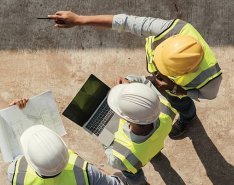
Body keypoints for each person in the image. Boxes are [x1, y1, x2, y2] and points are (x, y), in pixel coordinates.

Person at [47, 11, 222, 138]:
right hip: (172, 83)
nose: (155, 72)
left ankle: (188, 117)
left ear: (184, 72)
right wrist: (79, 20)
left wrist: (178, 89)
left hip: (178, 91)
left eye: (162, 71)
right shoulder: (169, 29)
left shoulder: (210, 79)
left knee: (182, 105)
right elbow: (125, 22)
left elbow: (208, 96)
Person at [7, 99, 125, 185]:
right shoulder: (86, 172)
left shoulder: (15, 172)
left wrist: (16, 114)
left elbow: (16, 154)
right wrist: (105, 176)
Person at [105, 83, 176, 185]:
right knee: (151, 149)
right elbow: (149, 96)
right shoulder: (166, 110)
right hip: (154, 146)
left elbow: (113, 161)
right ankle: (155, 154)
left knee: (131, 172)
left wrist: (106, 142)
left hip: (136, 159)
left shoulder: (123, 157)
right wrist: (132, 94)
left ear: (125, 119)